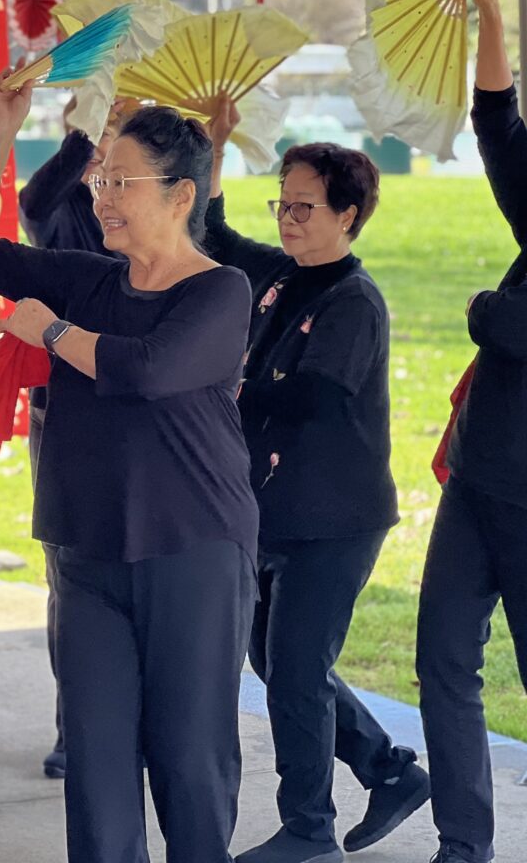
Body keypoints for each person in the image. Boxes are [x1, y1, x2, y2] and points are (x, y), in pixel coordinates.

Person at [0, 69, 259, 863]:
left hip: (192, 549)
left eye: (121, 181)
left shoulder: (223, 291)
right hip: (86, 550)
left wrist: (48, 334)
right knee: (96, 763)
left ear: (183, 194)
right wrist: (2, 128)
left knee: (189, 761)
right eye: (99, 177)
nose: (100, 196)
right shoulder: (89, 277)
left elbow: (145, 369)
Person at [202, 104, 429, 863]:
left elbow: (319, 397)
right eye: (282, 203)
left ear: (348, 215)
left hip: (335, 517)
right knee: (279, 661)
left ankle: (308, 830)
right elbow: (216, 237)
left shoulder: (352, 302)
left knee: (294, 670)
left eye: (304, 207)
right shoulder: (283, 274)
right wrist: (213, 148)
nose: (288, 218)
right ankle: (388, 770)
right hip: (280, 511)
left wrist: (225, 388)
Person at [416, 0, 527, 863]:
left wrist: (491, 314)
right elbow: (498, 123)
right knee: (443, 665)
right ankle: (464, 846)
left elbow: (512, 327)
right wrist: (491, 10)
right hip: (479, 481)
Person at [17, 97, 130, 780]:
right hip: (61, 413)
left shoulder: (156, 223)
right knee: (70, 571)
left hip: (137, 410)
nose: (113, 168)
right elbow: (33, 202)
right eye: (103, 150)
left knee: (132, 570)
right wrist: (86, 134)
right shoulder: (62, 214)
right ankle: (75, 722)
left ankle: (130, 716)